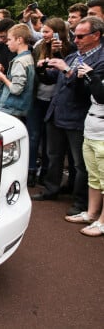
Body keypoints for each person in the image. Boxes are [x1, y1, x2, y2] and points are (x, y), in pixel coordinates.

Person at [32, 17, 104, 217]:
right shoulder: (74, 55)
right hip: (57, 114)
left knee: (80, 163)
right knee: (53, 155)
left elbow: (89, 91)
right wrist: (42, 70)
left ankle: (80, 201)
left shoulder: (100, 60)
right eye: (75, 35)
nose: (76, 39)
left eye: (81, 36)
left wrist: (67, 71)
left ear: (96, 35)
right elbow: (54, 79)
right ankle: (51, 189)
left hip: (78, 117)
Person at [27, 18, 73, 186]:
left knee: (50, 141)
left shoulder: (70, 49)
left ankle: (46, 174)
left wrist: (59, 54)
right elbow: (36, 74)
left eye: (47, 32)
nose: (44, 35)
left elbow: (67, 75)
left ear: (58, 33)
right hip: (37, 97)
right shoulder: (39, 46)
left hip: (55, 101)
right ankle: (31, 171)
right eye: (44, 31)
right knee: (33, 135)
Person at [64, 62, 104, 236]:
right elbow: (83, 94)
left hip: (102, 135)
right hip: (91, 130)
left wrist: (92, 76)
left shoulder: (97, 75)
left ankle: (102, 222)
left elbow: (102, 96)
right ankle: (92, 213)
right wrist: (81, 79)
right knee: (93, 177)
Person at [0, 23, 35, 121]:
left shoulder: (19, 61)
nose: (7, 43)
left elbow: (16, 89)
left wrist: (2, 77)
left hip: (12, 109)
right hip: (18, 109)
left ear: (19, 40)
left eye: (10, 39)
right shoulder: (29, 57)